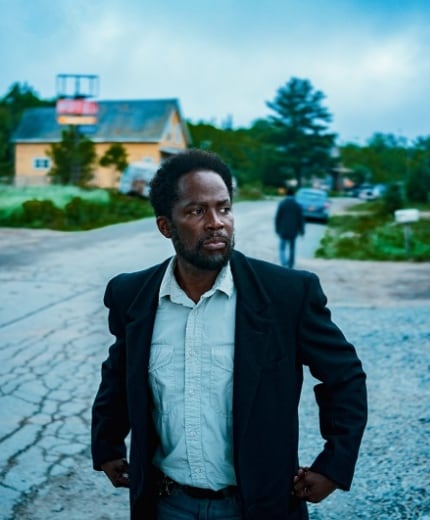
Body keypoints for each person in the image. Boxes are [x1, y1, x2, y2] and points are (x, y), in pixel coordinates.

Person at [91, 149, 367, 520]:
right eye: (196, 211)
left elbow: (344, 377)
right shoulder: (133, 296)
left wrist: (335, 462)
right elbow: (118, 373)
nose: (216, 222)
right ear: (165, 226)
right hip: (166, 505)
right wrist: (107, 444)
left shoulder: (285, 295)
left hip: (258, 506)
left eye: (223, 208)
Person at [275, 186, 305, 268]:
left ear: (286, 194)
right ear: (294, 194)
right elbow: (300, 219)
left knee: (282, 247)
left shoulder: (282, 204)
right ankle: (291, 264)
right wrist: (302, 231)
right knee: (292, 248)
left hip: (283, 230)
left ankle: (283, 263)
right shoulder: (297, 205)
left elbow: (278, 217)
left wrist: (277, 229)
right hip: (293, 230)